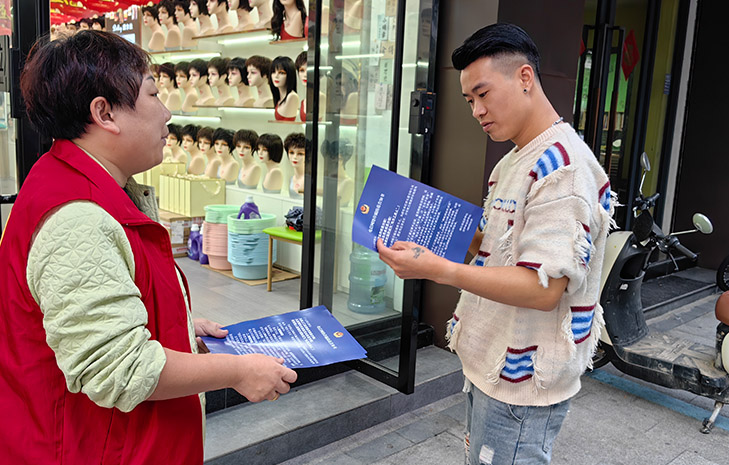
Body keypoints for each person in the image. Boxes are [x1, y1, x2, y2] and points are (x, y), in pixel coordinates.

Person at [0, 31, 297, 465]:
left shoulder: (89, 185)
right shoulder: (78, 218)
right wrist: (238, 371)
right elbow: (120, 368)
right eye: (153, 94)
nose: (167, 112)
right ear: (104, 113)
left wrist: (176, 324)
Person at [376, 23, 613, 465]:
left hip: (524, 384)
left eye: (482, 94)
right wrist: (433, 222)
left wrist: (437, 269)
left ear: (525, 77)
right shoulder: (514, 159)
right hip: (494, 366)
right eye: (469, 100)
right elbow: (504, 249)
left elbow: (543, 288)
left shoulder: (563, 169)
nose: (476, 111)